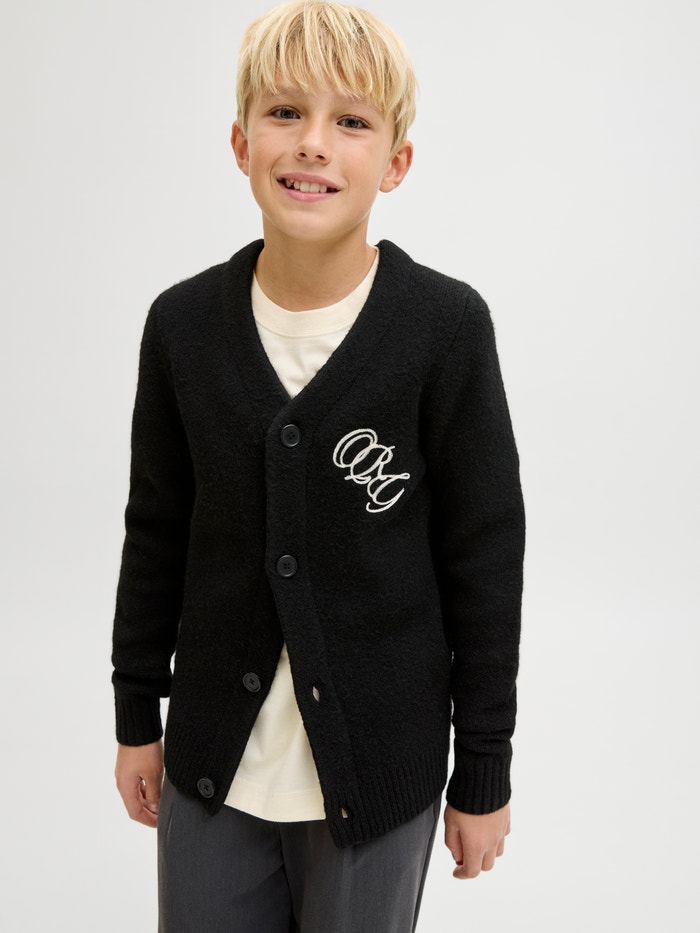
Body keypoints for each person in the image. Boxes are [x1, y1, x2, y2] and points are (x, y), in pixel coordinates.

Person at [112, 2, 525, 930]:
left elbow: (485, 562)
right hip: (211, 768)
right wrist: (138, 712)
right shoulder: (182, 328)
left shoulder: (445, 330)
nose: (312, 143)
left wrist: (484, 768)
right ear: (240, 142)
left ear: (396, 162)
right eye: (285, 112)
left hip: (381, 777)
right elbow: (156, 532)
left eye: (352, 121)